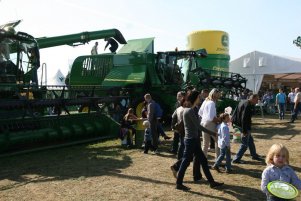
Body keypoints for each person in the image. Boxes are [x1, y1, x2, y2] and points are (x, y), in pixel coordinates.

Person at [175, 90, 224, 191]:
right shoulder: (189, 111)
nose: (200, 99)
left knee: (203, 161)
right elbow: (199, 127)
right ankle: (178, 183)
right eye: (199, 97)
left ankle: (212, 182)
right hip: (191, 140)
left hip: (192, 140)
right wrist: (213, 133)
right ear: (195, 98)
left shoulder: (191, 110)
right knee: (185, 161)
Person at [232, 94, 263, 164]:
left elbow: (235, 111)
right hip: (242, 126)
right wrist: (244, 131)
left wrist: (233, 122)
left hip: (237, 124)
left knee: (250, 141)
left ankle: (254, 155)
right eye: (257, 99)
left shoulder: (242, 101)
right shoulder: (247, 105)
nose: (257, 101)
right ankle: (236, 159)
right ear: (253, 98)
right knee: (244, 144)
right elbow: (244, 118)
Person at [198, 88, 220, 158]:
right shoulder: (212, 103)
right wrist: (219, 120)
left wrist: (205, 117)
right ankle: (218, 161)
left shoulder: (206, 101)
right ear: (215, 95)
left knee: (205, 144)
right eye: (218, 95)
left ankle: (203, 161)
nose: (219, 97)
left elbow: (200, 113)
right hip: (210, 124)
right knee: (218, 141)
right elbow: (211, 117)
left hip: (203, 123)